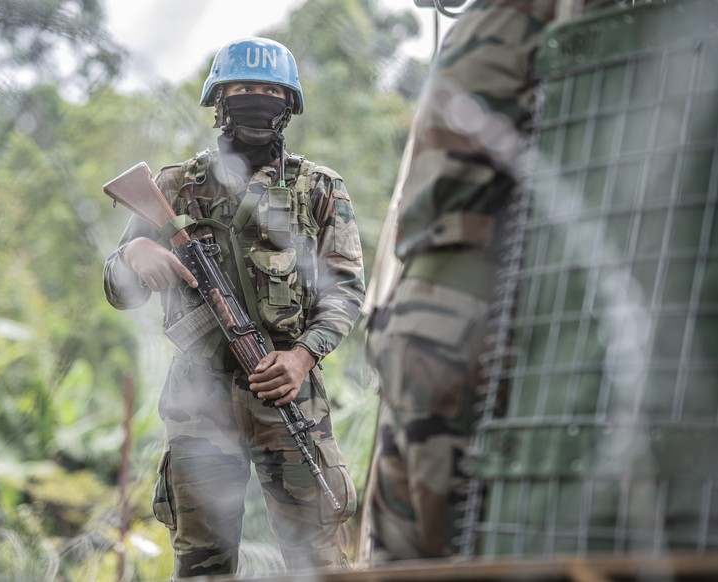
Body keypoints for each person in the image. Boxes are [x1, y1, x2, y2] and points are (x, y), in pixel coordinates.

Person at [362, 0, 623, 563]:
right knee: (472, 556)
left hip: (415, 316)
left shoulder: (483, 19)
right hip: (473, 320)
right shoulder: (555, 15)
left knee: (406, 562)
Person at [103, 37, 365, 578]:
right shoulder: (173, 187)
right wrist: (134, 253)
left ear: (287, 105)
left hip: (289, 393)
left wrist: (302, 357)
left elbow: (345, 292)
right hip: (200, 399)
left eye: (270, 91)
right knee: (202, 564)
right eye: (243, 89)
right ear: (218, 102)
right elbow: (115, 287)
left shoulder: (319, 189)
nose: (256, 100)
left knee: (318, 561)